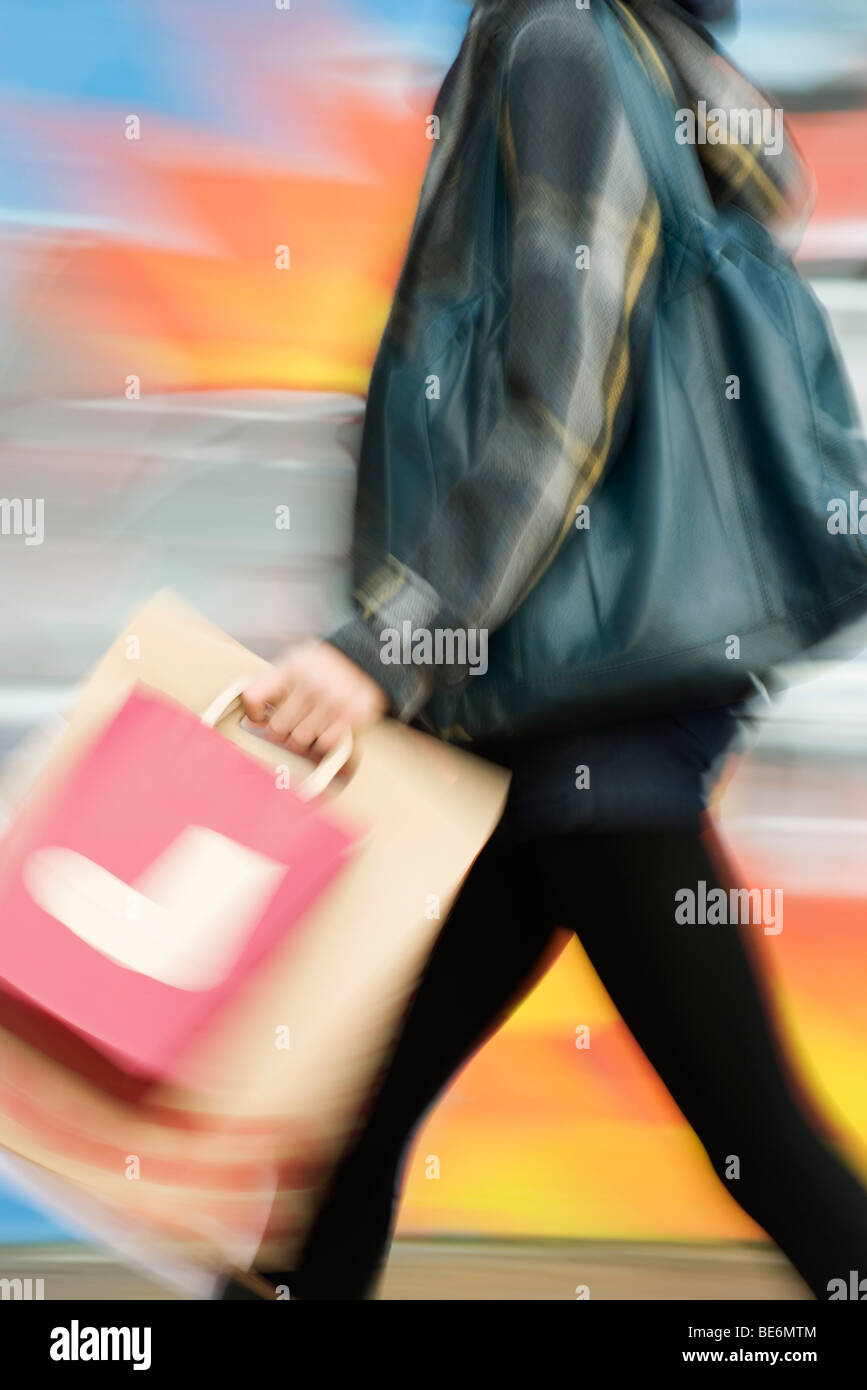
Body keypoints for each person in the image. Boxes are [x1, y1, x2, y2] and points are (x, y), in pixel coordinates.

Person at [230, 0, 867, 1299]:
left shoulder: (561, 44)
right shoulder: (605, 50)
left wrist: (383, 649)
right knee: (350, 1126)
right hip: (533, 716)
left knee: (768, 1152)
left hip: (582, 717)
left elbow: (557, 408)